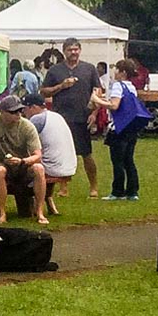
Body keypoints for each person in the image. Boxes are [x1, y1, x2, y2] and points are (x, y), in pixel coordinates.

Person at [40, 37, 99, 198]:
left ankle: (93, 186)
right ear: (64, 51)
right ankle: (63, 187)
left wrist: (94, 113)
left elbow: (97, 92)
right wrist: (61, 86)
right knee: (62, 153)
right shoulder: (55, 70)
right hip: (61, 119)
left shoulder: (89, 69)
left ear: (80, 50)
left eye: (76, 49)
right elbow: (44, 91)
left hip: (83, 117)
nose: (73, 52)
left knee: (86, 153)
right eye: (70, 50)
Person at [0, 95, 47, 225]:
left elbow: (37, 155)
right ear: (2, 112)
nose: (18, 115)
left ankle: (40, 212)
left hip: (21, 162)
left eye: (19, 111)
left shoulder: (27, 126)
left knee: (39, 168)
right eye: (13, 112)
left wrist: (23, 161)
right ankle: (2, 214)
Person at [91, 59, 149, 201]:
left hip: (119, 127)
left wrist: (97, 100)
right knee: (129, 160)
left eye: (116, 70)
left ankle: (117, 191)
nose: (114, 73)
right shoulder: (131, 87)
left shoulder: (118, 86)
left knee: (118, 161)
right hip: (131, 127)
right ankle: (132, 191)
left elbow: (114, 105)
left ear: (122, 72)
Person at [22, 93, 76, 216]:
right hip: (68, 165)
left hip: (52, 167)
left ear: (33, 107)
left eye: (25, 109)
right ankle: (50, 204)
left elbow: (24, 143)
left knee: (21, 170)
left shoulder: (37, 119)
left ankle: (30, 207)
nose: (23, 113)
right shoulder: (56, 116)